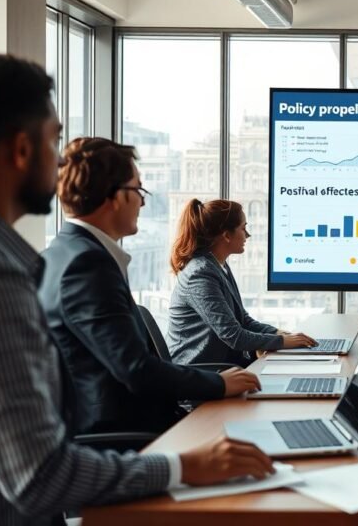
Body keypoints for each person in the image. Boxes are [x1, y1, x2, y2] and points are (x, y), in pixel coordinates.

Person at [0, 51, 273, 525]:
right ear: (22, 150)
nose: (60, 162)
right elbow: (37, 474)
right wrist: (184, 466)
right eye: (53, 142)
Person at [38, 137, 262, 434]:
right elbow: (136, 370)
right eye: (138, 190)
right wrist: (220, 383)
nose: (143, 201)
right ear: (115, 197)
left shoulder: (65, 253)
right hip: (129, 434)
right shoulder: (87, 265)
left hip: (132, 422)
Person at [168, 199, 316, 367]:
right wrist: (281, 341)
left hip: (222, 364)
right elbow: (233, 335)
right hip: (200, 370)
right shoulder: (199, 274)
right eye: (243, 228)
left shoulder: (218, 265)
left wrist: (278, 333)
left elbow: (243, 320)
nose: (247, 235)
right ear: (226, 235)